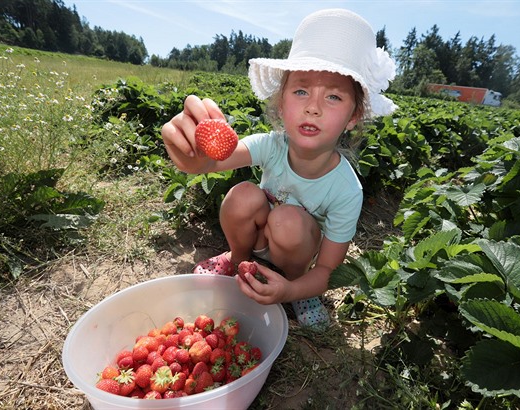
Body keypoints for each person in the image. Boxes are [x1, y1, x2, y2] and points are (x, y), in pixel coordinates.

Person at [161, 8, 396, 328]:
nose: (313, 107)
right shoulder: (271, 145)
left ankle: (300, 291)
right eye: (301, 91)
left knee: (288, 219)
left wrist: (291, 289)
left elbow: (329, 270)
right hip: (260, 239)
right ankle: (239, 259)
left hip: (298, 257)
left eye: (333, 97)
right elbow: (210, 162)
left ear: (353, 117)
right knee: (242, 194)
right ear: (282, 102)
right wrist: (190, 155)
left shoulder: (346, 189)